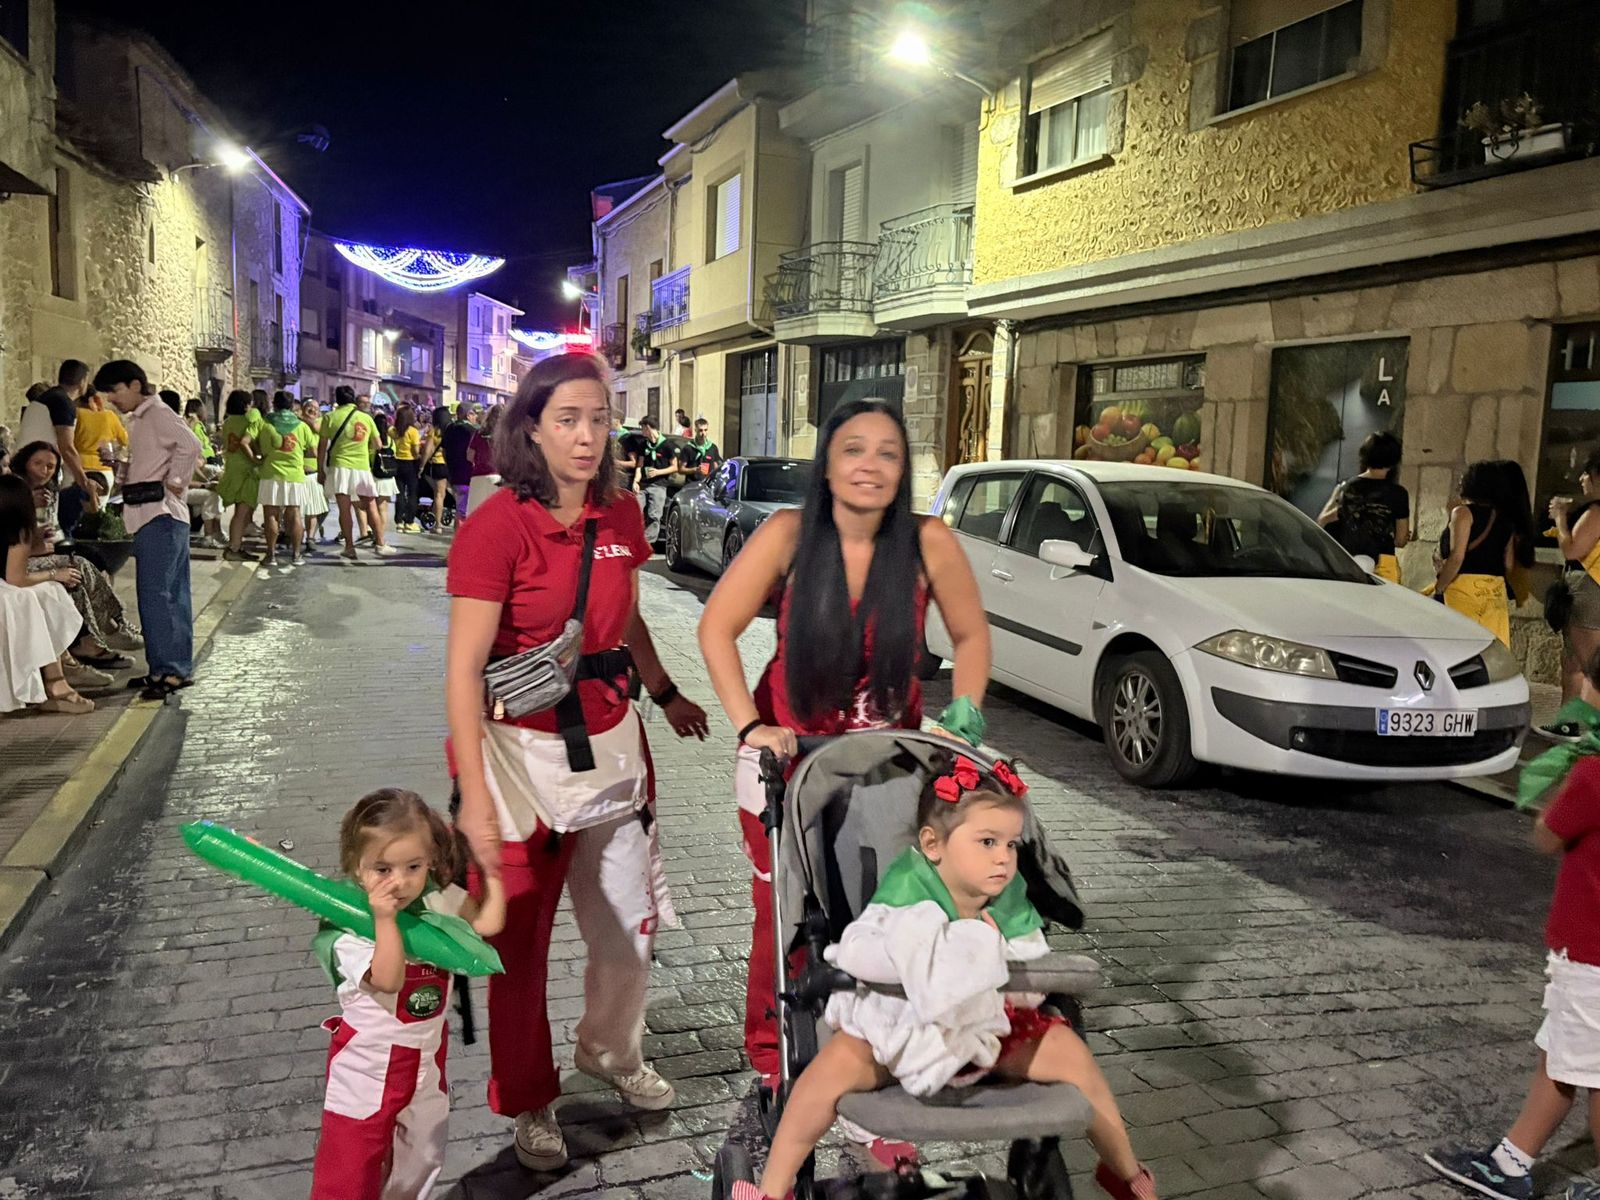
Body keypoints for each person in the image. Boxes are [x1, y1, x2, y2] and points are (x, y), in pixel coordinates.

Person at [696, 397, 992, 1164]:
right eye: (853, 449)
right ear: (826, 462)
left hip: (889, 770)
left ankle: (873, 1075)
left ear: (904, 470)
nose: (869, 465)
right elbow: (716, 626)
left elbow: (970, 634)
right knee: (786, 919)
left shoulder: (927, 543)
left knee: (885, 924)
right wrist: (747, 724)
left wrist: (965, 713)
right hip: (788, 764)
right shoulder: (790, 536)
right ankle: (775, 1059)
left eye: (887, 453)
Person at [446, 353, 710, 1172]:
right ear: (530, 427)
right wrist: (474, 803)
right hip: (518, 758)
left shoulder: (623, 515)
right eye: (567, 419)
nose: (587, 435)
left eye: (599, 418)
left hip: (610, 748)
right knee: (516, 945)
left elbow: (624, 619)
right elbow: (462, 669)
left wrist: (664, 692)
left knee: (631, 924)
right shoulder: (497, 527)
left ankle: (609, 1049)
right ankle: (529, 1098)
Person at [738, 754, 1156, 1200]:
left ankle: (1125, 1174)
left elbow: (1032, 972)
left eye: (1011, 845)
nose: (1004, 859)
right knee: (822, 1077)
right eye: (988, 842)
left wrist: (991, 955)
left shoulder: (1010, 901)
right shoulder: (907, 890)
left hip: (991, 1029)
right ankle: (774, 1189)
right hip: (904, 1029)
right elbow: (862, 949)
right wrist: (928, 957)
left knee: (1074, 1057)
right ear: (933, 845)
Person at [1422, 666, 1600, 1200]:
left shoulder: (1593, 776)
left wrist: (1562, 780)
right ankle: (1511, 1160)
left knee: (1593, 1073)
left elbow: (1548, 837)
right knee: (1560, 1057)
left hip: (1590, 953)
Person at [308, 788, 506, 1200]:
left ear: (430, 860)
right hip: (367, 1064)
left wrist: (495, 871)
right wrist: (383, 920)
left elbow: (485, 925)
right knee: (351, 1163)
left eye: (413, 866)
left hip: (427, 1058)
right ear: (356, 868)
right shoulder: (349, 924)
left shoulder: (436, 898)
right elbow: (388, 978)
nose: (399, 882)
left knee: (423, 1155)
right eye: (382, 869)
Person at [98, 360, 201, 701]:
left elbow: (191, 445)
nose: (112, 398)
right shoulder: (140, 420)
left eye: (115, 390)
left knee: (159, 595)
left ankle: (171, 670)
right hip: (149, 514)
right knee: (163, 594)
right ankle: (165, 667)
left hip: (160, 514)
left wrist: (174, 483)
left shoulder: (157, 414)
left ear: (135, 385)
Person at [9, 441, 140, 668]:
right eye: (38, 463)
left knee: (85, 564)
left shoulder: (48, 490)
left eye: (50, 466)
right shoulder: (14, 490)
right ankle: (97, 637)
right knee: (75, 569)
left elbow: (51, 528)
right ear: (24, 463)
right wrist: (30, 507)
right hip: (20, 559)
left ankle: (106, 629)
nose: (44, 470)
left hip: (40, 549)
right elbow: (14, 536)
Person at [0, 475, 96, 715]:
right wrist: (55, 573)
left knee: (46, 594)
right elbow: (16, 578)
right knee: (37, 597)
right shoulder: (17, 529)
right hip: (6, 591)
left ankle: (56, 677)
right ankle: (56, 681)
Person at [1434, 461, 1525, 646]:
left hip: (1465, 591)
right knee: (1490, 652)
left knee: (1458, 649)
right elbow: (1508, 564)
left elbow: (1457, 556)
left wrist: (1439, 588)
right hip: (1494, 594)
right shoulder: (1506, 519)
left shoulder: (1463, 512)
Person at [19, 359, 99, 536]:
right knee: (50, 528)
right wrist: (84, 481)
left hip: (28, 466)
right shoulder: (62, 402)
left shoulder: (48, 397)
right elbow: (67, 447)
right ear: (83, 381)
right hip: (38, 471)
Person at [1318, 432, 1409, 582]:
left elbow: (1323, 521)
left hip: (1348, 562)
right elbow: (1400, 540)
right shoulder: (1398, 493)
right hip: (1383, 565)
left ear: (1365, 455)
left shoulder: (1346, 487)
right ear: (1394, 460)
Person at [318, 387, 393, 561]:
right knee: (371, 504)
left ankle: (349, 547)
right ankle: (380, 543)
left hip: (339, 467)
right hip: (361, 467)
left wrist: (320, 469)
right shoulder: (365, 418)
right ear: (353, 400)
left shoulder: (329, 417)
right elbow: (377, 444)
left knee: (344, 509)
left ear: (337, 399)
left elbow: (322, 447)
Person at [256, 393, 311, 570]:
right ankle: (296, 554)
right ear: (291, 405)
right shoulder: (301, 426)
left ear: (275, 404)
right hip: (295, 475)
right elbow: (313, 450)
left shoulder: (267, 425)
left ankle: (271, 555)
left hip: (271, 474)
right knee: (295, 513)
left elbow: (263, 450)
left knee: (271, 514)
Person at [217, 391, 262, 562]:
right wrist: (255, 460)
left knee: (239, 510)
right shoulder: (248, 421)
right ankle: (234, 547)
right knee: (242, 512)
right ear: (245, 404)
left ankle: (236, 545)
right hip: (246, 470)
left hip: (232, 468)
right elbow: (248, 443)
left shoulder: (227, 422)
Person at [73, 387, 129, 499]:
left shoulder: (76, 414)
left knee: (75, 510)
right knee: (100, 511)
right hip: (104, 468)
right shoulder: (109, 416)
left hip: (78, 468)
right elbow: (125, 440)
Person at [635, 415, 678, 544]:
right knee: (636, 510)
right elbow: (639, 465)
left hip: (659, 485)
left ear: (648, 428)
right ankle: (634, 539)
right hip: (643, 484)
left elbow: (675, 467)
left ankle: (647, 542)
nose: (642, 432)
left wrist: (658, 472)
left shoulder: (668, 445)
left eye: (642, 429)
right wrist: (636, 481)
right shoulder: (643, 445)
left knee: (654, 515)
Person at [298, 402, 330, 550]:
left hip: (315, 472)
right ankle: (300, 535)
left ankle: (310, 536)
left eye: (315, 409)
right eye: (309, 408)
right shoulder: (296, 424)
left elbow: (317, 450)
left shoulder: (320, 424)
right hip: (298, 471)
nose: (312, 411)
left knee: (316, 509)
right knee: (299, 509)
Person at [442, 402, 479, 518]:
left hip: (453, 473)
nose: (475, 417)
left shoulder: (449, 428)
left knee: (459, 507)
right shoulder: (472, 431)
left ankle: (457, 534)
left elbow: (444, 451)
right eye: (474, 414)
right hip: (468, 475)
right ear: (469, 414)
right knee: (466, 511)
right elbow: (473, 454)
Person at [391, 403, 424, 533]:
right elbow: (415, 450)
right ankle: (409, 522)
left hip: (396, 463)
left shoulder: (393, 430)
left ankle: (398, 521)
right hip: (410, 464)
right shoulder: (413, 431)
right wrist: (419, 457)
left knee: (399, 493)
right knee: (412, 493)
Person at [465, 403, 502, 517]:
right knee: (496, 515)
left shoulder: (479, 433)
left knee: (475, 516)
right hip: (499, 478)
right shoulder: (507, 435)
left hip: (478, 477)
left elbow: (469, 456)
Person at [419, 406, 451, 531]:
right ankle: (436, 519)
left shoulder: (434, 431)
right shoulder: (449, 430)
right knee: (442, 494)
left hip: (436, 464)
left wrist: (422, 466)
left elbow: (428, 449)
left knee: (438, 495)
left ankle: (438, 524)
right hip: (446, 465)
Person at [369, 409, 397, 548]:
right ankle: (381, 537)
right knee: (383, 509)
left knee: (372, 508)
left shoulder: (372, 441)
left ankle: (376, 534)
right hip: (388, 478)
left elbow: (369, 457)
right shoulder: (391, 441)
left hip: (374, 477)